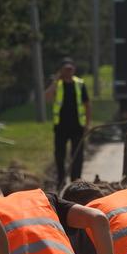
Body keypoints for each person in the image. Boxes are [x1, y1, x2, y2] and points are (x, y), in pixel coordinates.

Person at [44, 58, 91, 188]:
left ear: (74, 70)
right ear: (61, 70)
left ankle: (76, 181)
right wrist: (55, 81)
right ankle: (61, 181)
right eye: (66, 69)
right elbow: (47, 97)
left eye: (71, 69)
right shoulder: (57, 84)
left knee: (77, 155)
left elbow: (87, 105)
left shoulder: (80, 84)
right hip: (61, 127)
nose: (68, 71)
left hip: (77, 126)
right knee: (59, 155)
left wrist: (87, 124)